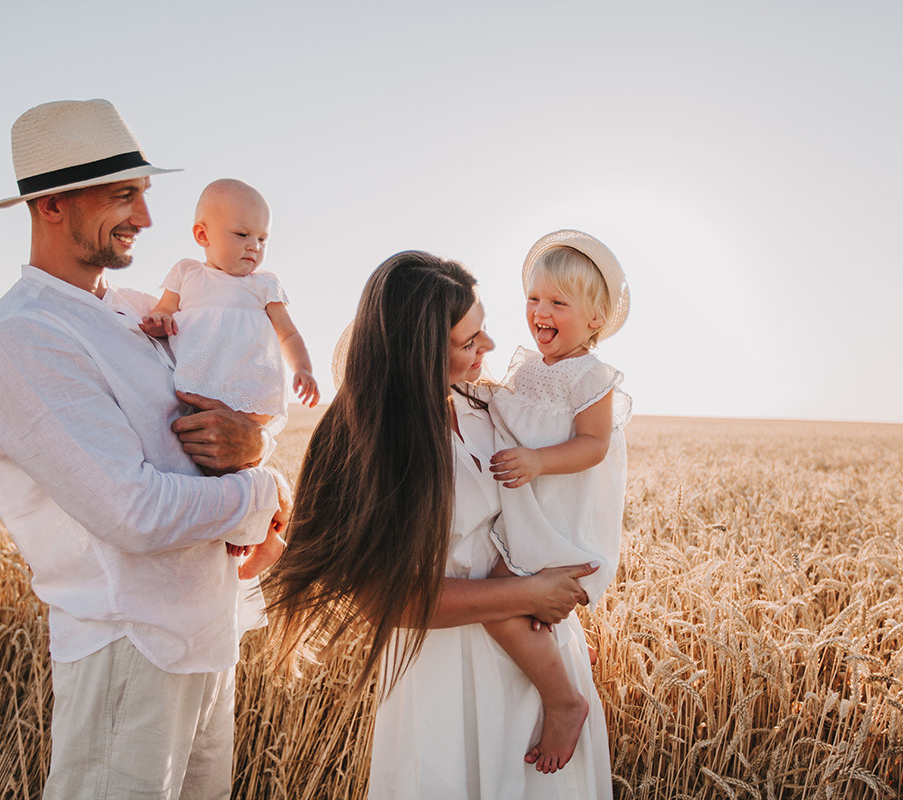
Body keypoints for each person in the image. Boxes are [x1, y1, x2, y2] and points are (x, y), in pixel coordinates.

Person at [0, 98, 290, 799]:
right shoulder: (27, 336)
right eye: (122, 195)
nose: (144, 216)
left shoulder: (136, 310)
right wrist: (263, 493)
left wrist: (257, 442)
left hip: (207, 636)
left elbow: (237, 413)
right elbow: (135, 512)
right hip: (127, 651)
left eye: (143, 193)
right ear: (52, 205)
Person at [265, 251, 613, 799]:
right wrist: (529, 593)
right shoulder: (370, 440)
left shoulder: (486, 405)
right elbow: (387, 599)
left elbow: (552, 498)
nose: (489, 347)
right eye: (470, 341)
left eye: (483, 329)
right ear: (422, 351)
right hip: (444, 676)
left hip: (537, 656)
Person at [480, 229, 632, 773]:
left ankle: (564, 700)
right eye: (533, 299)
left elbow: (593, 444)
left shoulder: (590, 375)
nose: (540, 312)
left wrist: (540, 462)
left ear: (595, 320)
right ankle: (564, 655)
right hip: (527, 510)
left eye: (558, 303)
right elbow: (507, 411)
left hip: (557, 514)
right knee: (515, 602)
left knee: (500, 601)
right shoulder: (527, 368)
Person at [140, 178, 320, 440]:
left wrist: (303, 368)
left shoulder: (264, 284)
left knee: (243, 442)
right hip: (197, 380)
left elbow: (288, 334)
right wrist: (159, 320)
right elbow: (165, 309)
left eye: (262, 238)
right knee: (193, 440)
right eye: (242, 234)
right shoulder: (187, 273)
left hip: (250, 388)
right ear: (203, 235)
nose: (254, 246)